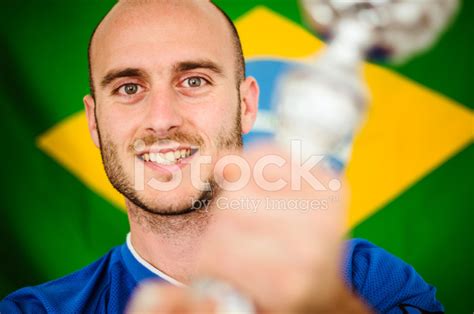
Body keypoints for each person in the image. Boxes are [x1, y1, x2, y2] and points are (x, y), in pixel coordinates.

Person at [1, 1, 443, 313]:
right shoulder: (35, 311)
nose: (161, 119)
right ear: (94, 121)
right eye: (129, 88)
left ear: (247, 105)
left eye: (193, 81)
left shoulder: (372, 284)